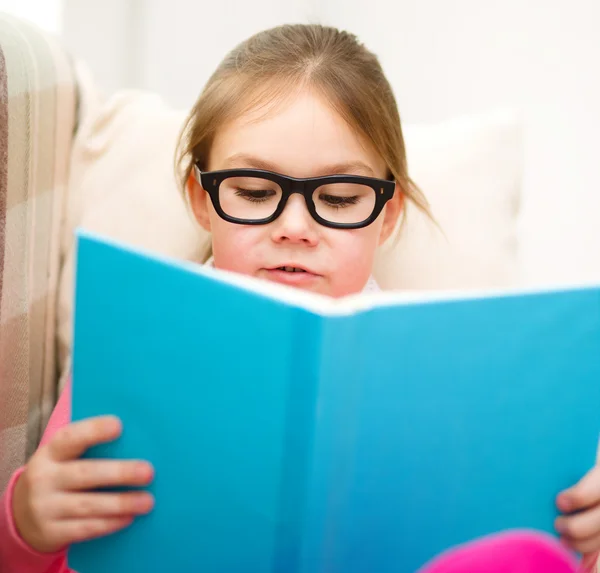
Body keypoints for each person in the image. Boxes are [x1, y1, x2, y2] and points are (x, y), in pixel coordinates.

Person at [0, 23, 597, 573]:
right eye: (255, 191)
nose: (294, 227)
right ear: (202, 198)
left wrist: (583, 530)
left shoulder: (442, 364)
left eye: (338, 199)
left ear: (386, 216)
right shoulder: (131, 348)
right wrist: (26, 523)